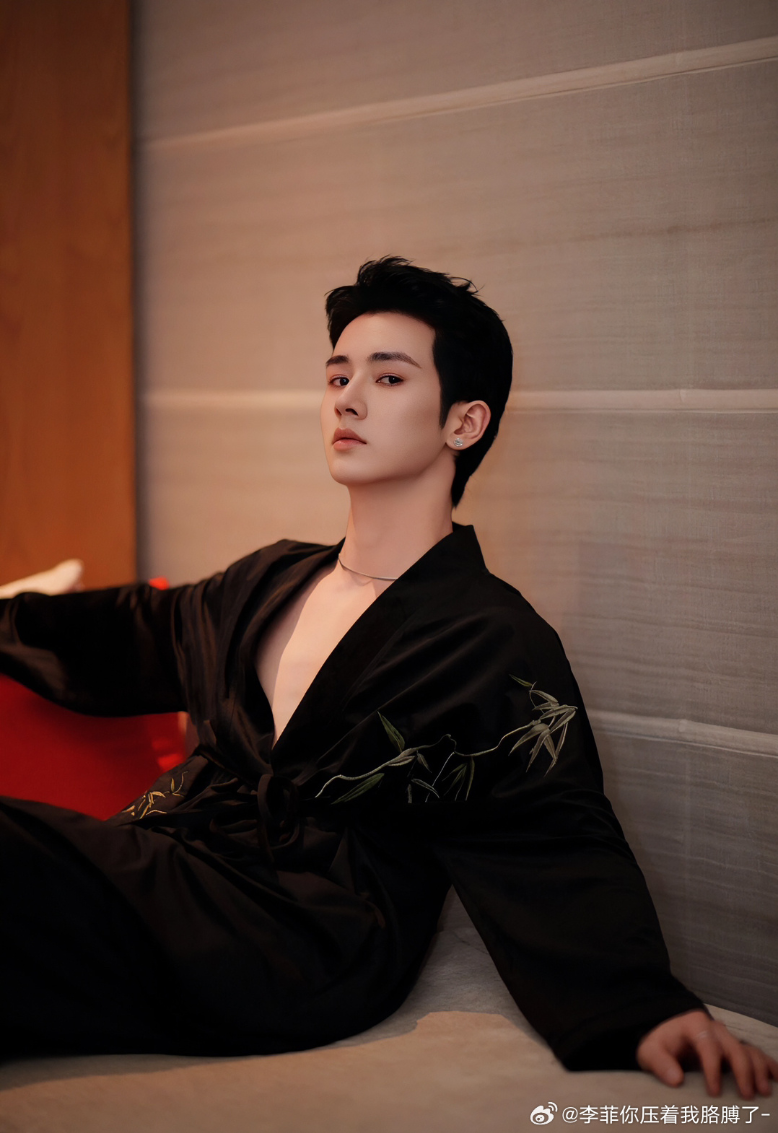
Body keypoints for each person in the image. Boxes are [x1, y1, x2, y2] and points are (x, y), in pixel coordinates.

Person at [1, 256, 775, 1098]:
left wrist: (645, 1005)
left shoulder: (489, 636)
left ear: (464, 422)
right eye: (338, 375)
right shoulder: (267, 579)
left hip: (301, 935)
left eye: (389, 376)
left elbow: (556, 830)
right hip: (168, 870)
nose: (348, 398)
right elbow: (127, 630)